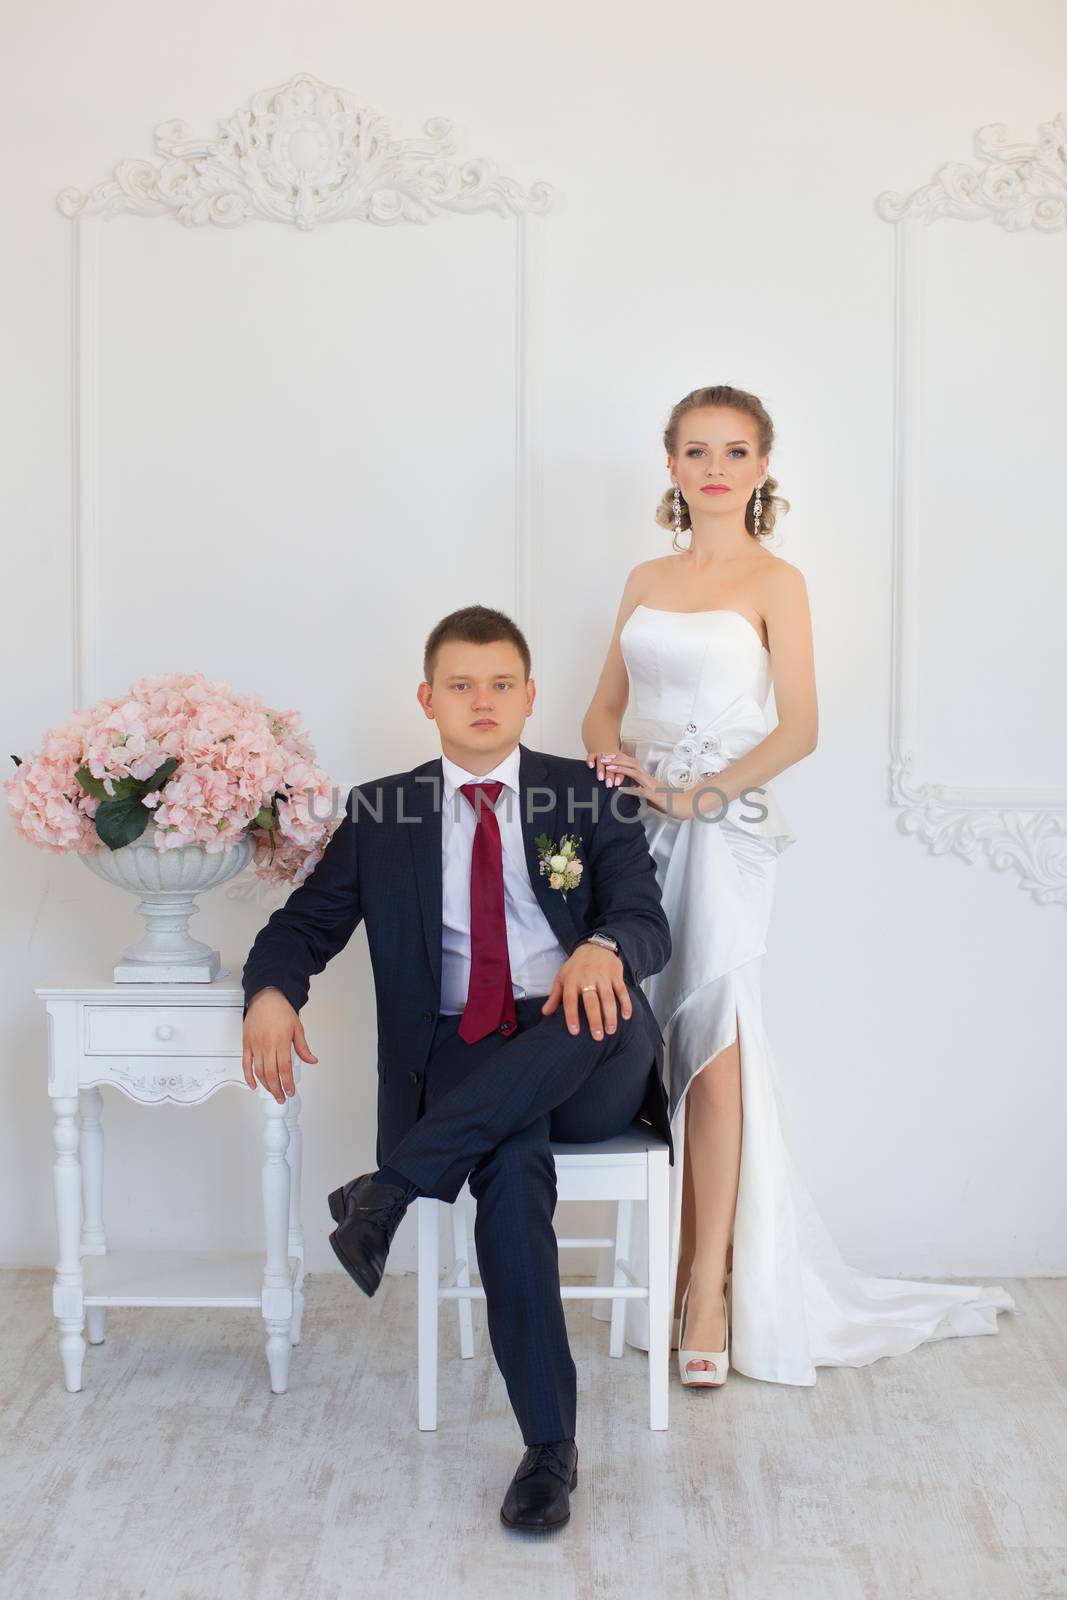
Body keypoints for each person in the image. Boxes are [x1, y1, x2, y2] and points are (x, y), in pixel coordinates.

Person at [581, 383, 1015, 1388]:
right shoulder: (644, 574)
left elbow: (799, 726)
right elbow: (602, 709)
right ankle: (679, 1271)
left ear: (762, 467)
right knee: (651, 1039)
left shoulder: (777, 579)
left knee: (715, 1039)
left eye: (734, 450)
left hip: (722, 832)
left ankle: (706, 1291)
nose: (715, 467)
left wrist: (699, 796)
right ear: (671, 466)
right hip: (638, 831)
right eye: (695, 450)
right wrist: (614, 768)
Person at [241, 604, 673, 1532]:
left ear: (529, 697)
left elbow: (646, 916)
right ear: (427, 698)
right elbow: (303, 928)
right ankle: (549, 1452)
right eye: (462, 685)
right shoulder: (383, 812)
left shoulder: (585, 793)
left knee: (585, 1008)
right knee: (510, 1168)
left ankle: (390, 1191)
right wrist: (271, 992)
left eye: (501, 684)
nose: (483, 702)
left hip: (583, 1037)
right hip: (467, 1055)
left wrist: (601, 942)